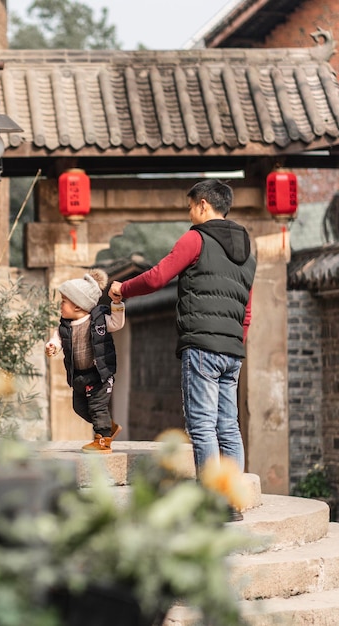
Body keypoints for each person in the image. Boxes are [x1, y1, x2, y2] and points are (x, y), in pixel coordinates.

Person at [109, 179, 256, 515]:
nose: (189, 213)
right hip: (232, 349)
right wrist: (235, 342)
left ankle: (212, 503)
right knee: (229, 426)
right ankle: (232, 498)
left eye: (190, 206)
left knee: (202, 424)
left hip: (202, 344)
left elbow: (159, 276)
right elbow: (247, 308)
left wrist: (122, 289)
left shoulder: (196, 238)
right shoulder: (248, 252)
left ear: (204, 205)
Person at [46, 268, 125, 454]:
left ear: (78, 305)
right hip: (79, 376)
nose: (60, 305)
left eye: (64, 302)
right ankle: (109, 427)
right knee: (80, 407)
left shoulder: (98, 321)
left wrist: (117, 304)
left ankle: (103, 441)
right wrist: (52, 346)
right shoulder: (65, 327)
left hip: (99, 374)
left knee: (97, 407)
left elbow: (117, 323)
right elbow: (57, 339)